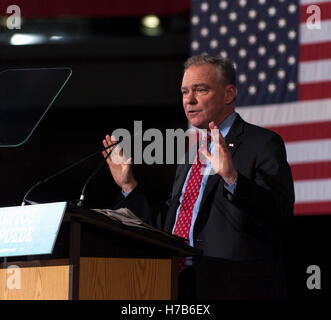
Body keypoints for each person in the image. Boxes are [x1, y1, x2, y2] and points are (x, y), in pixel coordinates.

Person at [102, 55, 295, 299]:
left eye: (200, 90)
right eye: (184, 92)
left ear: (228, 94)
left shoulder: (262, 143)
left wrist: (232, 179)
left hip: (233, 285)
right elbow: (168, 227)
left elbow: (281, 215)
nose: (189, 100)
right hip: (179, 283)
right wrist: (129, 186)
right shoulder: (190, 156)